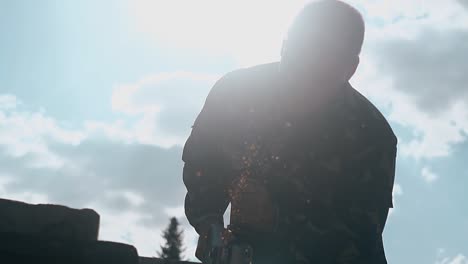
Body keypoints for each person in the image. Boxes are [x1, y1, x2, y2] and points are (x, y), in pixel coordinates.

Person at [182, 0, 398, 263]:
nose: (301, 82)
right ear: (284, 44)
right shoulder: (236, 95)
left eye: (319, 72)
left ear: (350, 69)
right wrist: (209, 222)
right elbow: (203, 164)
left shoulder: (371, 136)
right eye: (297, 63)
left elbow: (361, 236)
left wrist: (277, 217)